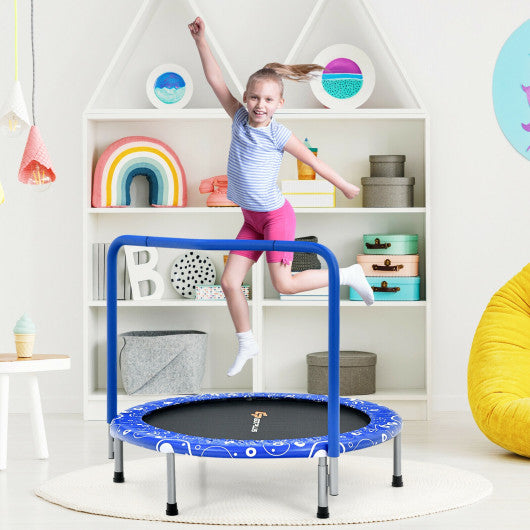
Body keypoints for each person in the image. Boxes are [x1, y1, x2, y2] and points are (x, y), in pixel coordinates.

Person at [188, 17, 374, 377]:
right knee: (229, 282)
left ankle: (349, 274)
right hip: (251, 220)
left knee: (284, 285)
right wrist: (201, 41)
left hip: (276, 217)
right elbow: (215, 80)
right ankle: (246, 341)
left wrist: (344, 185)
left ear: (280, 103)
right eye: (254, 97)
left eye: (268, 99)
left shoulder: (278, 134)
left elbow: (314, 163)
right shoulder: (238, 118)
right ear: (246, 98)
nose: (260, 104)